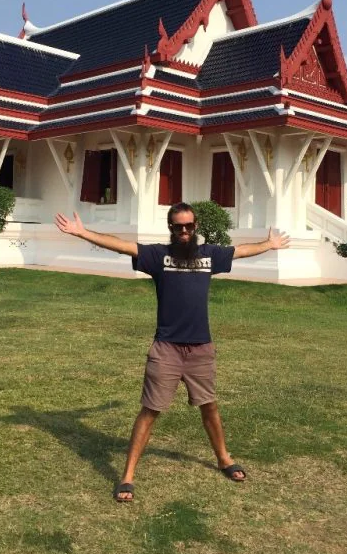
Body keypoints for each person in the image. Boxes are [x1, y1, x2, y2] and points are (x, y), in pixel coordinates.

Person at [55, 201, 290, 502]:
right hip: (166, 348)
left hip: (201, 349)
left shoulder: (209, 256)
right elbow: (122, 246)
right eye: (178, 226)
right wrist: (83, 232)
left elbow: (241, 251)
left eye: (188, 226)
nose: (183, 231)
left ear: (195, 228)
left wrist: (269, 244)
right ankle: (127, 476)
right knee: (150, 410)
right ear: (171, 228)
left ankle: (224, 459)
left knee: (210, 406)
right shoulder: (158, 256)